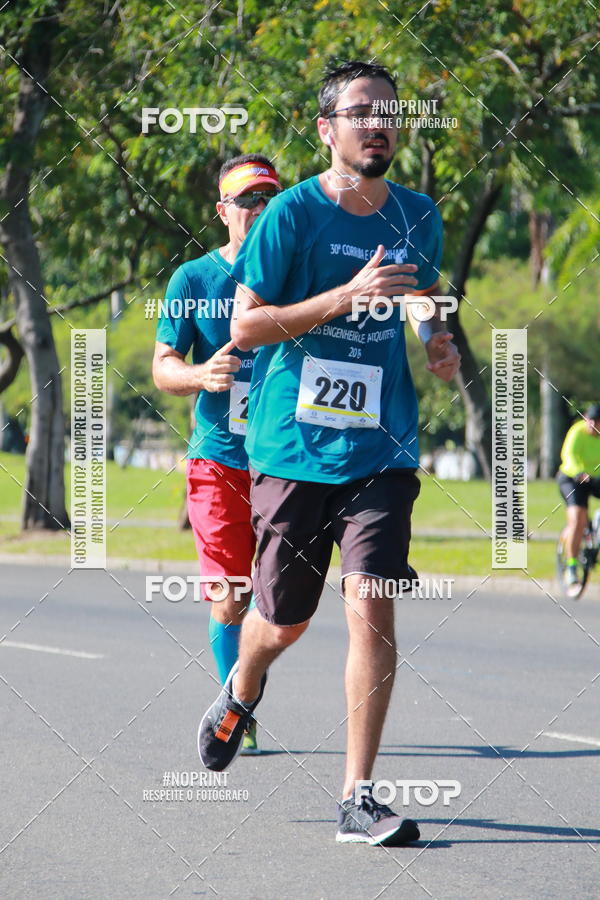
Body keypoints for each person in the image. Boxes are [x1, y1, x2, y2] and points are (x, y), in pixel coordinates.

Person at [198, 59, 460, 845]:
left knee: (373, 604)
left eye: (389, 113)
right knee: (283, 622)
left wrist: (435, 337)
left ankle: (358, 797)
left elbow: (416, 295)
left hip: (381, 449)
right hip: (292, 446)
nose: (378, 124)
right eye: (361, 112)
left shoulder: (418, 213)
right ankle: (241, 688)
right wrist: (346, 298)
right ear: (327, 128)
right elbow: (245, 327)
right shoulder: (290, 217)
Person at [153, 154, 282, 754]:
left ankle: (244, 681)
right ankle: (237, 707)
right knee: (231, 591)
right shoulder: (193, 280)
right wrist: (202, 375)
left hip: (285, 458)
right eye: (247, 202)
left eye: (268, 201)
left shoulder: (297, 275)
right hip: (218, 459)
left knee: (278, 593)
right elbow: (163, 368)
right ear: (222, 212)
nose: (258, 211)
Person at [557, 403, 600, 587]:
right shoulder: (577, 432)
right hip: (572, 479)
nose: (592, 425)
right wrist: (579, 473)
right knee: (578, 519)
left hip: (596, 479)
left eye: (597, 422)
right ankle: (572, 567)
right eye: (590, 421)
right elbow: (569, 455)